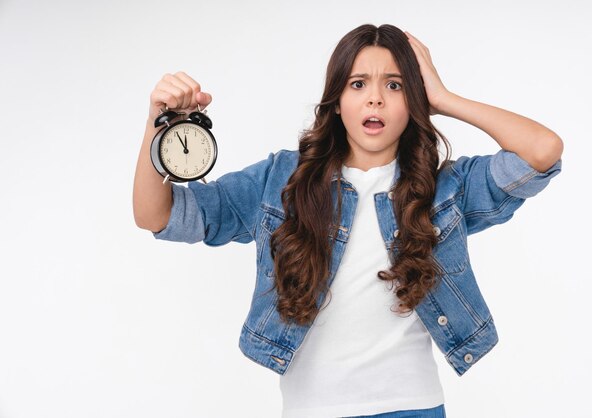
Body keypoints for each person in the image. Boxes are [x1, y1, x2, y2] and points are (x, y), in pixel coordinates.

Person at [133, 24, 563, 418]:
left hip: (411, 407)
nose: (375, 98)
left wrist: (444, 99)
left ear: (413, 101)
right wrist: (158, 124)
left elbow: (542, 151)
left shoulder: (444, 188)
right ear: (337, 101)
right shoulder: (281, 180)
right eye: (358, 84)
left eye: (394, 85)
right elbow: (158, 215)